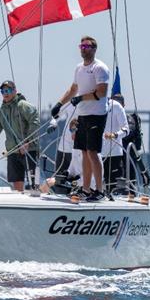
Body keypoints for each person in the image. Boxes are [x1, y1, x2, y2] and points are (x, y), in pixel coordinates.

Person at [50, 36, 109, 201]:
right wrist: (59, 103)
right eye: (81, 46)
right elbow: (74, 88)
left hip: (96, 115)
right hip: (82, 115)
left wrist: (81, 98)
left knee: (92, 152)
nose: (83, 49)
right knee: (83, 152)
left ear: (94, 48)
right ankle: (85, 189)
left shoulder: (100, 68)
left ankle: (99, 190)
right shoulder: (79, 68)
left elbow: (101, 92)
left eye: (87, 46)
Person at [117, 94, 150, 186]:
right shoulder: (106, 118)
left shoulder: (129, 119)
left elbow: (129, 131)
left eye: (118, 103)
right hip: (110, 153)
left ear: (123, 105)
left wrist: (115, 135)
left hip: (125, 152)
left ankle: (130, 190)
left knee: (127, 150)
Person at [101, 94, 129, 194]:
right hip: (96, 152)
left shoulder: (116, 106)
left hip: (114, 153)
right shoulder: (92, 106)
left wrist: (115, 135)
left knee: (112, 185)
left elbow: (126, 129)